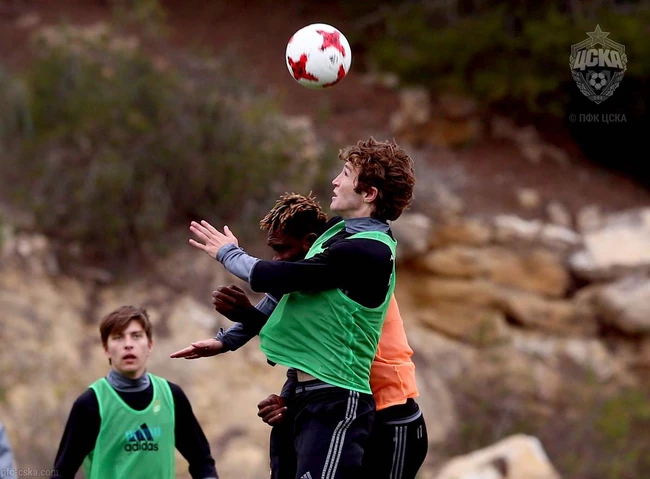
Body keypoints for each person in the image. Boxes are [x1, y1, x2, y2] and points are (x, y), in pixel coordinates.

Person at [188, 137, 416, 478]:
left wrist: (228, 253)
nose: (335, 181)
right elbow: (286, 292)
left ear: (369, 193)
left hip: (345, 399)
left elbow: (276, 277)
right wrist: (228, 340)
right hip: (303, 392)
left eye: (345, 173)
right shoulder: (337, 232)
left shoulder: (369, 251)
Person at [53, 305, 218, 479]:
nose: (128, 345)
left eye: (136, 336)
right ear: (106, 349)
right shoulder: (90, 404)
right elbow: (62, 473)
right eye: (118, 337)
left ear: (150, 345)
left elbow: (202, 462)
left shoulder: (172, 397)